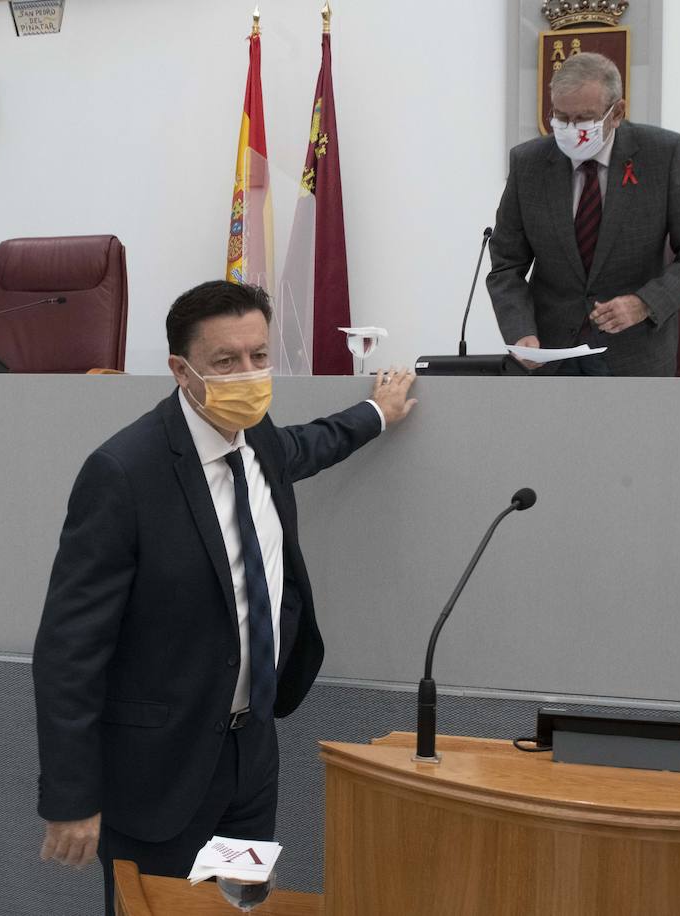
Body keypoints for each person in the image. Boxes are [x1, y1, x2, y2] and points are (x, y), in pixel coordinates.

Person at [32, 280, 417, 912]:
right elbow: (70, 650)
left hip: (248, 763)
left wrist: (376, 413)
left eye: (259, 356)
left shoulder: (259, 440)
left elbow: (308, 445)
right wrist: (71, 798)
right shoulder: (124, 474)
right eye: (226, 362)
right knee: (162, 911)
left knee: (238, 907)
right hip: (159, 776)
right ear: (182, 371)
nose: (249, 375)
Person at [486, 52, 680, 376]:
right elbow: (506, 265)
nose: (571, 129)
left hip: (635, 356)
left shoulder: (661, 155)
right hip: (552, 356)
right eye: (561, 117)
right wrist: (519, 330)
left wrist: (646, 302)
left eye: (584, 119)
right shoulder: (528, 164)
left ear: (617, 112)